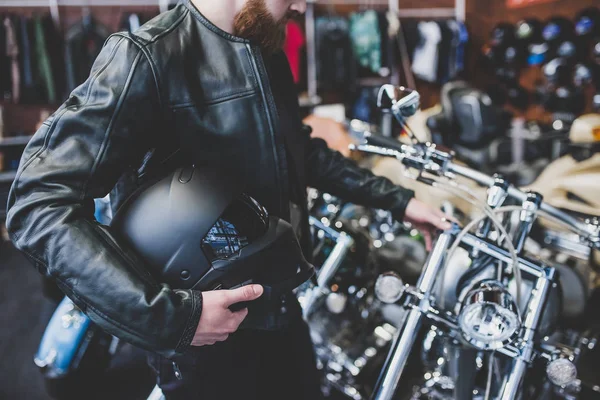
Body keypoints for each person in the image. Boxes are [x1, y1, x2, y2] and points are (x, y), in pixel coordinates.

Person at [5, 0, 451, 399]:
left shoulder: (265, 49)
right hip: (204, 338)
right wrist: (173, 319)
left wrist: (400, 200)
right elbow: (37, 204)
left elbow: (297, 147)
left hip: (280, 303)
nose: (301, 7)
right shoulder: (147, 57)